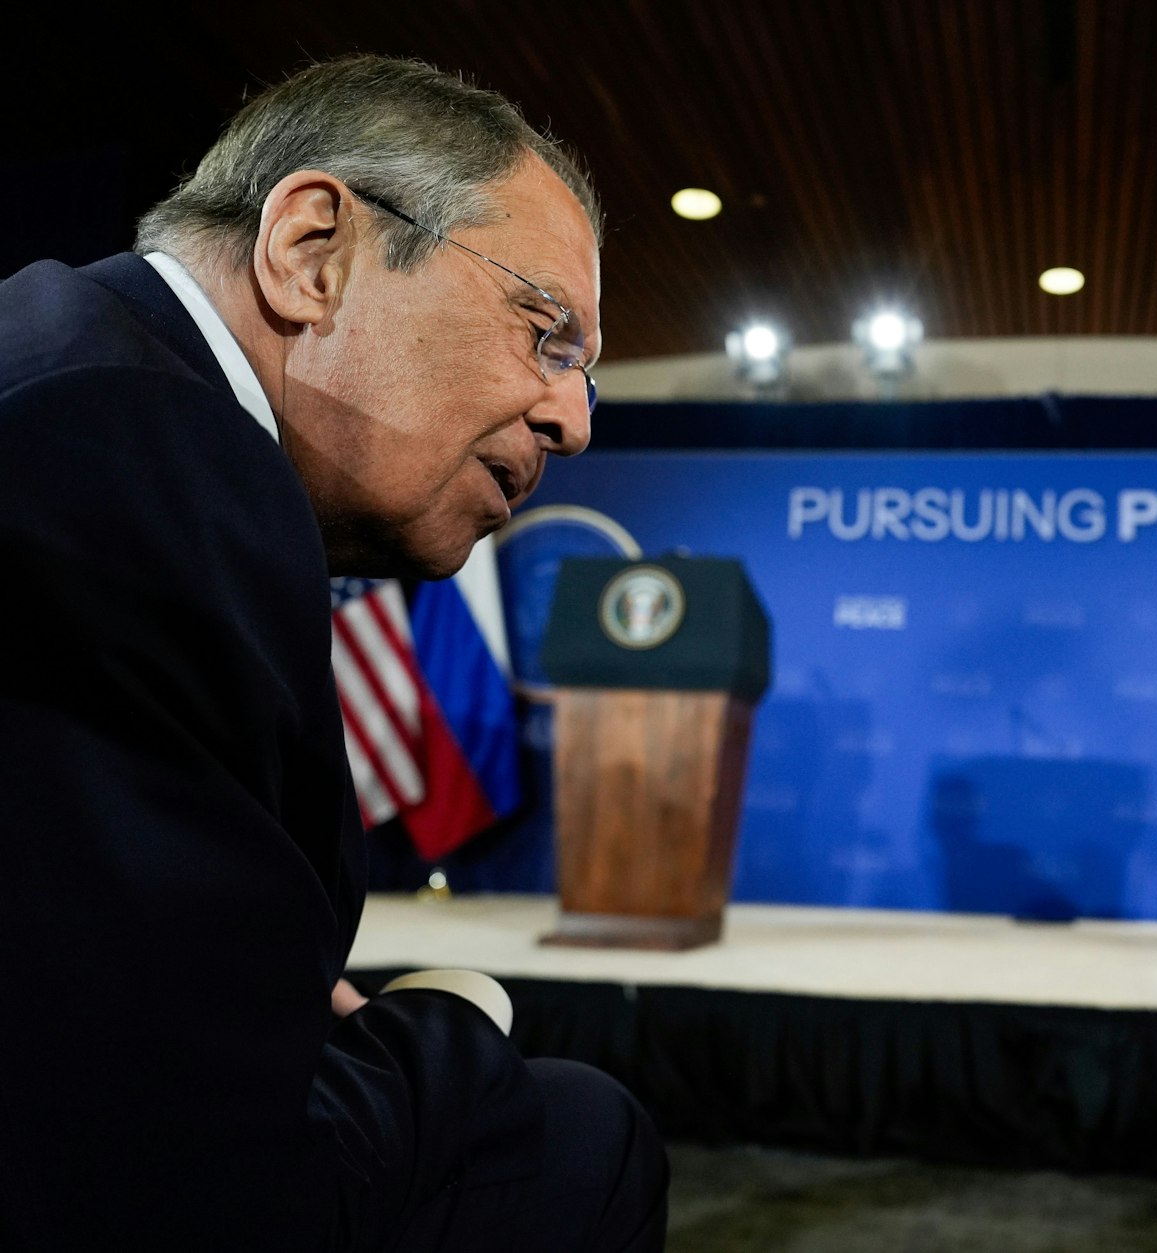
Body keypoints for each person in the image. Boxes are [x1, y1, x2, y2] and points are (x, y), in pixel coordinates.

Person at [0, 56, 666, 1250]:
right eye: (546, 333)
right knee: (577, 1132)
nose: (574, 421)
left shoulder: (68, 362)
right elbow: (191, 1183)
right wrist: (453, 1015)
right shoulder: (127, 448)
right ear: (314, 250)